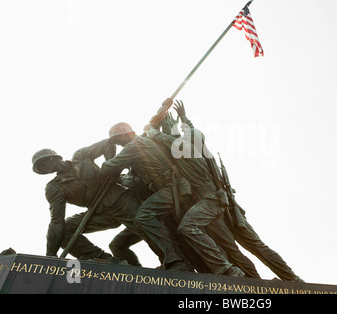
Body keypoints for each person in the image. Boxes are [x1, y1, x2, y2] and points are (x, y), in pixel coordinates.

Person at [161, 101, 305, 283]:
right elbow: (189, 133)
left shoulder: (187, 152)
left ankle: (271, 279)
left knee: (241, 249)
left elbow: (168, 139)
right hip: (225, 206)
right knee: (247, 248)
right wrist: (182, 118)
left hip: (216, 206)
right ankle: (284, 279)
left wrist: (162, 120)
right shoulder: (202, 149)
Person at [102, 115, 244, 277]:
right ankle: (177, 260)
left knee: (144, 217)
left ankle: (177, 260)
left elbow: (107, 168)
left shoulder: (133, 147)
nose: (118, 143)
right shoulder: (142, 142)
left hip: (171, 188)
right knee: (176, 232)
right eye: (115, 142)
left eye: (118, 139)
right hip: (171, 188)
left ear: (127, 135)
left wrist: (107, 158)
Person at [31, 140, 161, 262]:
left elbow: (108, 144)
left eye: (43, 164)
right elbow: (56, 221)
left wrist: (111, 168)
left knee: (147, 227)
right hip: (100, 213)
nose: (44, 169)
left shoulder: (80, 156)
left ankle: (173, 260)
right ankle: (104, 259)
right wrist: (50, 255)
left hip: (120, 200)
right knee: (64, 230)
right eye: (41, 169)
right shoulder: (54, 188)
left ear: (53, 157)